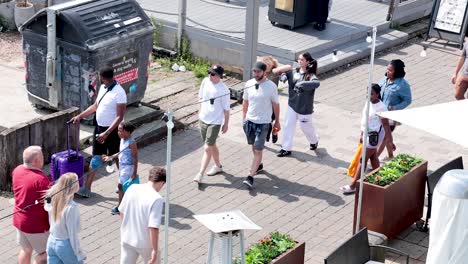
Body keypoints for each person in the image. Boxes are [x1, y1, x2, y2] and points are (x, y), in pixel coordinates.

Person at [70, 67, 127, 198]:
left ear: (102, 77)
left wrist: (106, 133)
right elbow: (95, 106)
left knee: (117, 158)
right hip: (99, 129)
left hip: (113, 132)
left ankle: (124, 184)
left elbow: (119, 117)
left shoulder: (119, 93)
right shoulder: (103, 88)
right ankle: (87, 188)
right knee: (96, 157)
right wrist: (80, 116)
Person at [341, 84, 393, 194]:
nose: (369, 96)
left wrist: (390, 141)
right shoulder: (368, 103)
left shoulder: (381, 108)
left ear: (378, 94)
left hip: (375, 137)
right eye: (368, 93)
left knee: (362, 159)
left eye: (372, 94)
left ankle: (353, 185)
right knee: (373, 158)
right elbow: (364, 119)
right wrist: (361, 133)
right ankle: (379, 180)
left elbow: (386, 126)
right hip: (367, 135)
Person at [242, 61, 281, 188]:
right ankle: (258, 166)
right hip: (250, 122)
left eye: (258, 71)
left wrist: (277, 121)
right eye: (254, 71)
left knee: (258, 149)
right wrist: (244, 119)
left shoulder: (271, 87)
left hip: (263, 123)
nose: (255, 73)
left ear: (265, 72)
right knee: (254, 148)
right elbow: (245, 102)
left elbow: (276, 105)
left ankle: (250, 176)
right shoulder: (249, 84)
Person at [119, 167, 166, 264]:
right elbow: (153, 227)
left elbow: (122, 212)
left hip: (127, 237)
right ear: (162, 183)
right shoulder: (156, 198)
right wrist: (155, 250)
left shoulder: (133, 188)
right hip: (145, 243)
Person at [12, 146, 50, 264]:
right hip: (35, 226)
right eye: (42, 156)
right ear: (36, 161)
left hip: (19, 220)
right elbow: (50, 203)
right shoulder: (41, 180)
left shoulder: (17, 170)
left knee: (26, 249)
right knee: (45, 254)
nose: (44, 157)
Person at [277, 52, 320, 157]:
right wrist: (283, 76)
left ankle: (314, 141)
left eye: (302, 60)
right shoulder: (294, 71)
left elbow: (316, 83)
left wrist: (303, 84)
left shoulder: (311, 76)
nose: (299, 61)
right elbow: (284, 74)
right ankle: (286, 148)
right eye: (299, 59)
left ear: (308, 62)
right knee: (288, 125)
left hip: (304, 108)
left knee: (306, 128)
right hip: (292, 104)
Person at [193, 65, 230, 184]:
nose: (210, 75)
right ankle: (218, 166)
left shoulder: (224, 90)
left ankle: (200, 174)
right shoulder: (205, 81)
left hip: (215, 122)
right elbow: (201, 97)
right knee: (212, 144)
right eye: (209, 72)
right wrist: (200, 111)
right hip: (203, 119)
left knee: (207, 148)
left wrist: (226, 124)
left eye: (213, 74)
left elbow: (226, 109)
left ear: (219, 76)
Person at [46, 173, 86, 264]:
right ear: (74, 186)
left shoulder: (52, 199)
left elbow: (46, 206)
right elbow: (72, 234)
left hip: (51, 241)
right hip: (65, 245)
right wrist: (80, 252)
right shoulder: (71, 207)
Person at [376, 59, 412, 161]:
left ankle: (373, 160)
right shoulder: (384, 79)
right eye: (387, 69)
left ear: (397, 72)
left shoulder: (402, 85)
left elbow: (407, 100)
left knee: (383, 137)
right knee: (386, 137)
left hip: (391, 116)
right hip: (379, 113)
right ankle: (391, 156)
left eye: (390, 71)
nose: (387, 72)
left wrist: (395, 108)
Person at [103, 121, 138, 215]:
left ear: (128, 131)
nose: (119, 132)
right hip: (122, 167)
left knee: (121, 186)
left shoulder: (132, 143)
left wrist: (134, 172)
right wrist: (111, 157)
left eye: (121, 130)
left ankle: (120, 207)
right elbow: (120, 153)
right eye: (118, 130)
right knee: (125, 187)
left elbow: (135, 158)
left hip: (128, 167)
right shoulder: (122, 140)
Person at [261, 56, 292, 144]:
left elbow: (289, 67)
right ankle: (265, 135)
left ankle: (274, 132)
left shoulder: (274, 72)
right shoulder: (261, 72)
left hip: (273, 101)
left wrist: (276, 69)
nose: (265, 67)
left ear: (272, 65)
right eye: (264, 65)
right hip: (263, 101)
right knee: (267, 120)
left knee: (273, 120)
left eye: (268, 65)